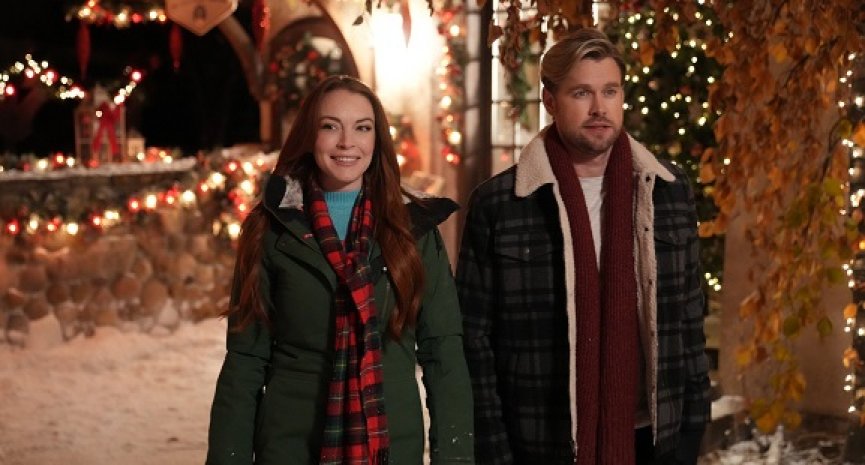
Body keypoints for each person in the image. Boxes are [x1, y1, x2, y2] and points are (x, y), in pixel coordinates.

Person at [456, 28, 710, 465]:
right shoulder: (501, 204)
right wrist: (493, 448)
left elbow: (689, 316)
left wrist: (693, 426)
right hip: (540, 439)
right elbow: (474, 340)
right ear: (550, 101)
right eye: (581, 93)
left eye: (610, 91)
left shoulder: (668, 190)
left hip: (654, 439)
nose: (599, 108)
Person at [207, 75, 474, 465]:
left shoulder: (413, 229)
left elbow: (443, 352)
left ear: (377, 140)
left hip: (390, 446)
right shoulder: (272, 228)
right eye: (330, 126)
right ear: (309, 136)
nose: (347, 142)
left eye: (362, 128)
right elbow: (246, 360)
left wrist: (455, 456)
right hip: (291, 446)